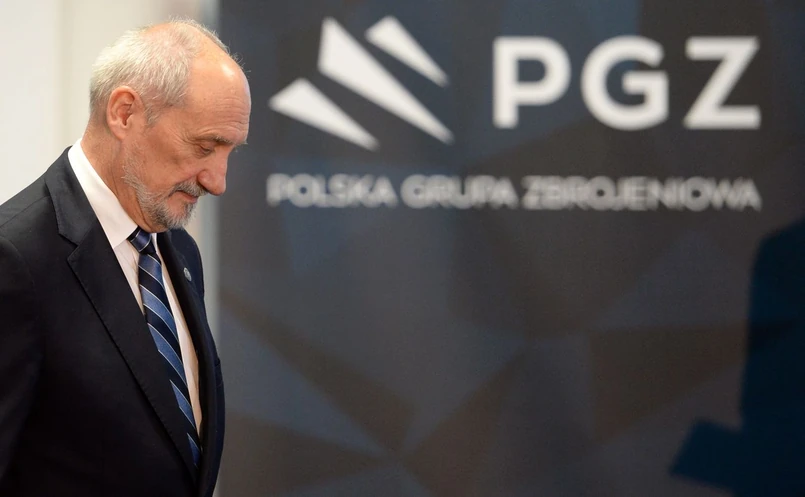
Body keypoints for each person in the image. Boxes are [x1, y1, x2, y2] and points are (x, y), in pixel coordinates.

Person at [0, 18, 250, 497]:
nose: (217, 181)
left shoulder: (178, 249)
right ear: (125, 112)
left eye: (229, 152)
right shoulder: (15, 258)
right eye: (204, 146)